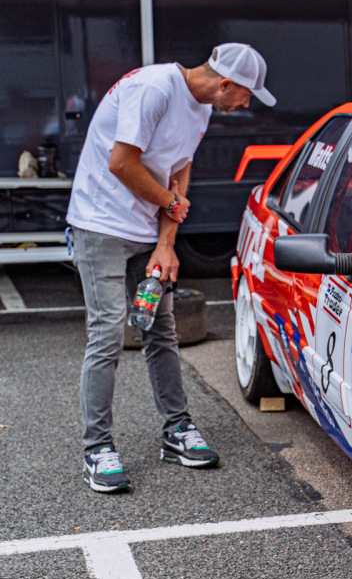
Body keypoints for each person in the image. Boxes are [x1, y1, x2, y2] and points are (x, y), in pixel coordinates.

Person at [67, 43, 276, 492]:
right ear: (224, 83)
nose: (246, 104)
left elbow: (179, 169)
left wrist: (166, 244)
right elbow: (122, 163)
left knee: (160, 328)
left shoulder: (201, 107)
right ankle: (97, 449)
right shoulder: (153, 88)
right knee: (106, 333)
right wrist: (170, 202)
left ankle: (177, 431)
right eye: (246, 95)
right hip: (98, 224)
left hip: (146, 232)